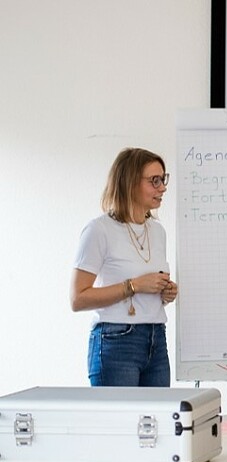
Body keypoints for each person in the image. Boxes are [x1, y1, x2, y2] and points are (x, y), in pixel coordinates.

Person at [70, 147, 178, 387]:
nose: (163, 187)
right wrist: (134, 286)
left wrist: (165, 292)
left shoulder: (157, 231)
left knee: (157, 422)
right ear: (130, 183)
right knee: (118, 423)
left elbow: (151, 289)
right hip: (116, 340)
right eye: (154, 181)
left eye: (163, 179)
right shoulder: (99, 230)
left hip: (156, 338)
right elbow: (77, 299)